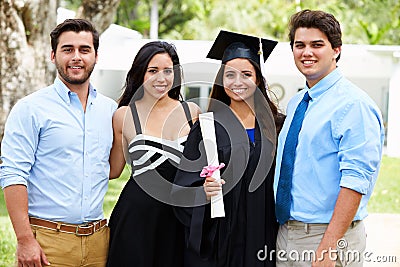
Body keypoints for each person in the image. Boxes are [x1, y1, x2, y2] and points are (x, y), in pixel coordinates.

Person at [0, 19, 117, 266]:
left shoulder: (110, 110)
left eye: (84, 50)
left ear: (96, 56)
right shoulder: (30, 109)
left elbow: (112, 169)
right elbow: (13, 174)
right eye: (68, 49)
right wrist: (24, 240)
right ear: (53, 55)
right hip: (47, 243)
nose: (76, 57)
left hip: (99, 242)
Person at [274, 9, 385, 267]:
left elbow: (355, 181)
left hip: (327, 238)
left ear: (336, 50)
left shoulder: (353, 105)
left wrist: (329, 246)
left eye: (317, 45)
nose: (307, 52)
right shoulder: (297, 103)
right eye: (299, 45)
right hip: (287, 233)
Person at [173, 30, 285, 267]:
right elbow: (182, 187)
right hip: (220, 239)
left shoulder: (276, 126)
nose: (237, 82)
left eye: (246, 74)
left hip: (265, 235)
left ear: (257, 79)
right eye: (230, 75)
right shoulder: (206, 128)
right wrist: (203, 190)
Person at [106, 41, 201, 267]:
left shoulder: (193, 112)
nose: (161, 78)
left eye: (168, 71)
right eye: (153, 70)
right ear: (140, 73)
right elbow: (112, 171)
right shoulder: (123, 115)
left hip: (180, 219)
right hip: (136, 217)